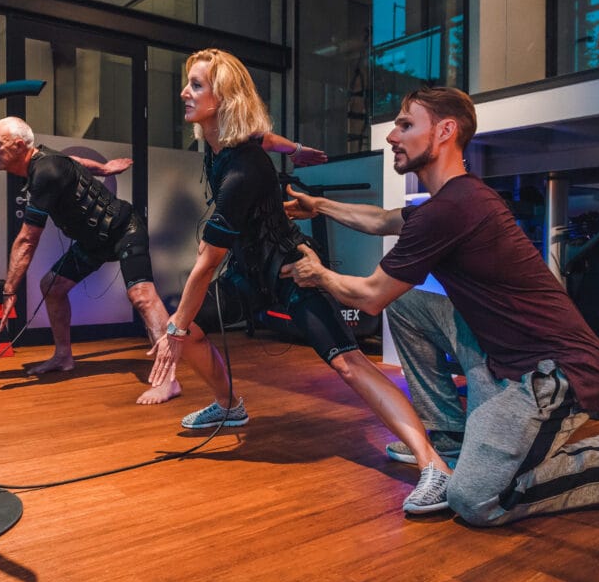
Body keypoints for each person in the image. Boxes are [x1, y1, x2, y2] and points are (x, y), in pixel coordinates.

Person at [280, 86, 599, 525]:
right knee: (409, 305)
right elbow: (379, 220)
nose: (393, 136)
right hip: (506, 354)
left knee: (475, 501)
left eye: (406, 124)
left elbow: (372, 297)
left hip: (556, 371)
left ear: (446, 131)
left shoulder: (453, 209)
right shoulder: (452, 202)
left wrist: (318, 273)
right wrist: (316, 205)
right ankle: (450, 436)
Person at [147, 48, 454, 514]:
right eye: (188, 83)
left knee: (349, 365)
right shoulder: (223, 141)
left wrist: (170, 333)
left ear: (224, 98)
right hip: (249, 276)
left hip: (291, 274)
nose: (184, 92)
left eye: (196, 85)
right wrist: (296, 150)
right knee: (187, 327)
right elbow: (263, 135)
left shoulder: (242, 170)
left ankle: (434, 466)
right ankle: (229, 405)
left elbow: (206, 264)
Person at [0, 116, 180, 405]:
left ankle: (169, 380)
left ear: (18, 146)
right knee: (52, 285)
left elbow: (27, 240)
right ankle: (63, 357)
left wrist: (9, 291)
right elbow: (74, 159)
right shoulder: (44, 160)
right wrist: (104, 168)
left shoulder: (45, 171)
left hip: (124, 228)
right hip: (94, 243)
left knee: (140, 295)